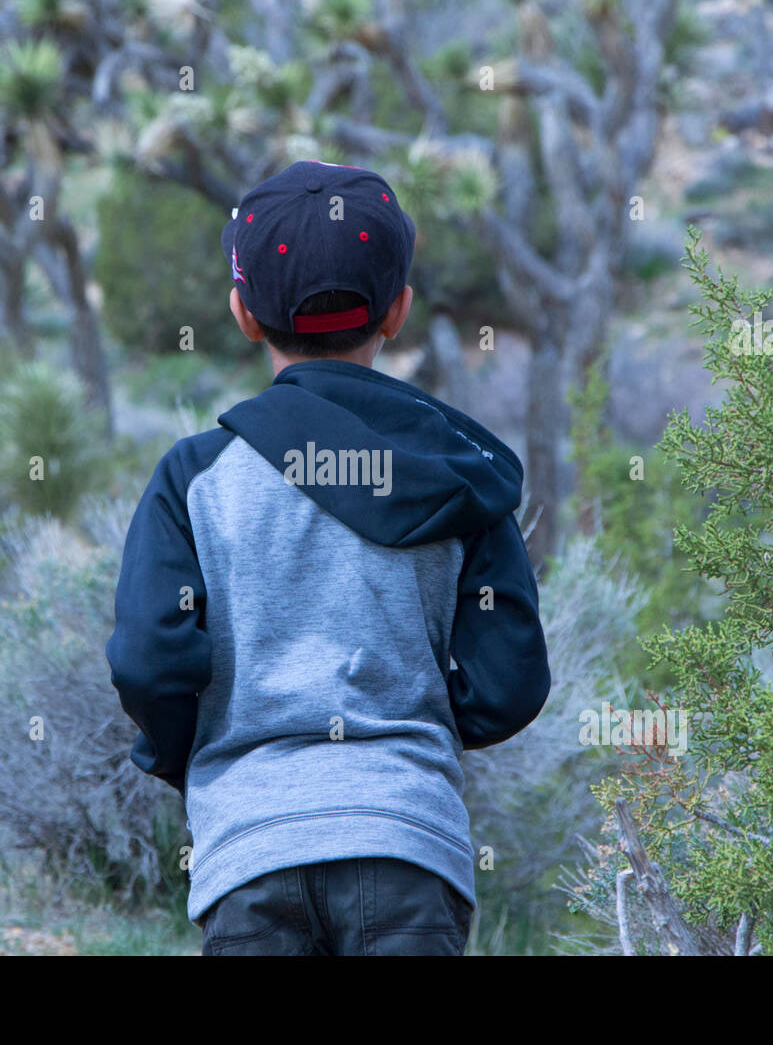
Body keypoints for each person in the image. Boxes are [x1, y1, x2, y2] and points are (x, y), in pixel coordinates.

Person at [106, 160, 551, 956]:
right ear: (399, 310)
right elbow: (509, 684)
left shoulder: (194, 477)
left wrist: (201, 753)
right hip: (408, 844)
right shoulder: (460, 475)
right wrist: (414, 737)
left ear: (243, 312)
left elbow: (148, 659)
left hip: (250, 848)